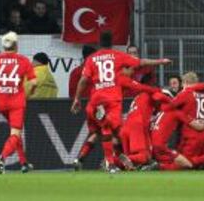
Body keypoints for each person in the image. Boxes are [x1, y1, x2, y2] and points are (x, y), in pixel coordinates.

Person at [71, 30, 172, 173]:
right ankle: (112, 163)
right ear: (112, 44)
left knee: (100, 132)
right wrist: (160, 61)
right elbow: (141, 62)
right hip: (111, 101)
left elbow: (83, 80)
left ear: (99, 43)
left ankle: (81, 159)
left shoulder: (91, 59)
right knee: (110, 131)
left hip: (95, 101)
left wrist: (77, 99)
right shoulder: (118, 57)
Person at [0, 31, 37, 174]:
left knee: (15, 133)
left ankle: (23, 163)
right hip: (16, 103)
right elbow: (34, 82)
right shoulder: (23, 60)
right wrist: (28, 94)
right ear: (16, 45)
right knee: (15, 134)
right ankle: (2, 158)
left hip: (1, 103)